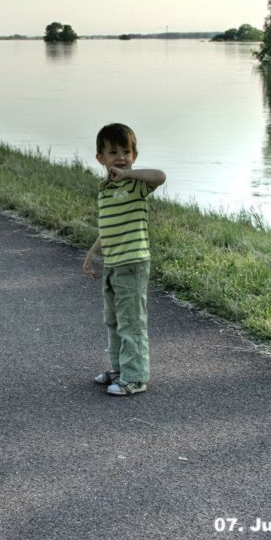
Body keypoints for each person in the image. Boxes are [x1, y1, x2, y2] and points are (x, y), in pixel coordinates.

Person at [82, 123, 166, 396]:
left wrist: (129, 173)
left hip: (133, 263)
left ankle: (136, 377)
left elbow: (160, 176)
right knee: (115, 322)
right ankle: (119, 370)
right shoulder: (104, 190)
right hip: (113, 263)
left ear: (134, 155)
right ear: (100, 158)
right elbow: (108, 228)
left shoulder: (136, 185)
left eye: (126, 152)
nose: (120, 157)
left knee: (132, 322)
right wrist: (93, 253)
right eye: (113, 152)